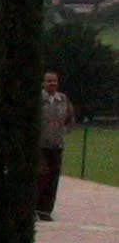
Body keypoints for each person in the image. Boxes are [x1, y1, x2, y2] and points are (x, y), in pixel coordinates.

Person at [39, 70, 76, 221]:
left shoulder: (63, 99)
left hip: (57, 145)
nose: (52, 84)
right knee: (40, 176)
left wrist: (64, 131)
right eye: (49, 81)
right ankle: (33, 207)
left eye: (54, 81)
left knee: (53, 178)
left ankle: (46, 211)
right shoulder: (38, 100)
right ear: (43, 83)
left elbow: (70, 118)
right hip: (40, 145)